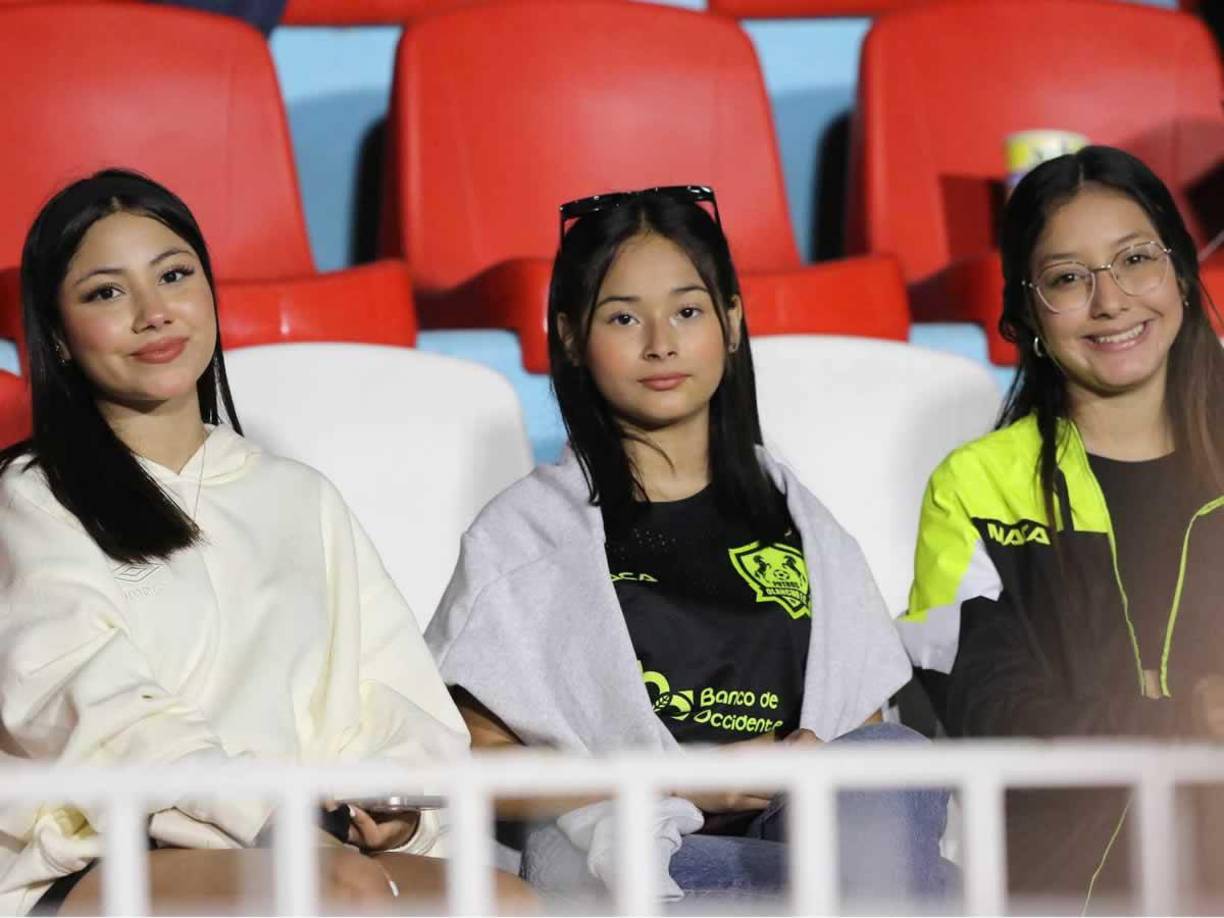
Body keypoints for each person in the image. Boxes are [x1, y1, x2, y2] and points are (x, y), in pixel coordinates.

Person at [0, 170, 534, 915]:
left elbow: (397, 703)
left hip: (315, 849)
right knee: (335, 892)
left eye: (175, 276)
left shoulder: (297, 495)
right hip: (106, 858)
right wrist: (277, 818)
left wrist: (398, 807)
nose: (154, 313)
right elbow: (101, 716)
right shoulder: (31, 497)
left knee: (506, 900)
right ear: (56, 335)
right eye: (107, 293)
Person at [425, 186, 953, 907]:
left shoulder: (804, 521)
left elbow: (859, 734)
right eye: (621, 317)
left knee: (895, 762)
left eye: (687, 311)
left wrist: (813, 767)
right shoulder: (525, 536)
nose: (660, 342)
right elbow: (470, 761)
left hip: (800, 839)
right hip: (631, 851)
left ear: (731, 322)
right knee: (912, 892)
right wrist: (680, 780)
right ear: (572, 336)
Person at [899, 146, 1224, 909]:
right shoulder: (975, 485)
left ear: (1179, 272)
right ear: (1025, 311)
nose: (1111, 302)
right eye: (1069, 278)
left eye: (1135, 259)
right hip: (1070, 884)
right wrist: (1187, 717)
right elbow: (989, 708)